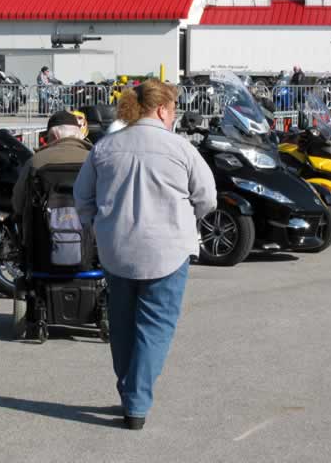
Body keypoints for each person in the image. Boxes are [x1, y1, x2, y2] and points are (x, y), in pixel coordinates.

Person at [73, 79, 216, 431]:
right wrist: (188, 218)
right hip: (167, 250)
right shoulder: (180, 149)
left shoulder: (105, 147)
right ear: (164, 109)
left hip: (116, 250)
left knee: (121, 325)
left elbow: (82, 197)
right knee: (155, 327)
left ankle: (129, 392)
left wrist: (98, 226)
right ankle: (136, 403)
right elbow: (207, 198)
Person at [12, 110, 91, 216]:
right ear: (78, 134)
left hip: (44, 230)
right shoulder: (94, 160)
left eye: (47, 138)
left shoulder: (35, 161)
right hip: (89, 229)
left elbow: (18, 204)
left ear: (55, 136)